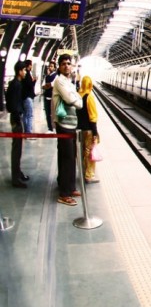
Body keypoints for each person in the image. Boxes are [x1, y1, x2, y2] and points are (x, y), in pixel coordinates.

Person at [52, 54, 83, 206]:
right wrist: (75, 99)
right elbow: (72, 100)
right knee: (67, 158)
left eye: (68, 63)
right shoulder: (59, 81)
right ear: (59, 66)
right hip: (64, 124)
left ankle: (69, 187)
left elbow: (78, 101)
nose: (66, 66)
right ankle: (64, 194)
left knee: (69, 158)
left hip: (71, 124)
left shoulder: (69, 82)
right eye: (63, 63)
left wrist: (75, 99)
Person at [5, 61, 30, 188]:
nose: (25, 72)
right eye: (24, 70)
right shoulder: (16, 85)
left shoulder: (16, 83)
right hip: (16, 118)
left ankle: (18, 172)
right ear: (19, 71)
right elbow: (14, 103)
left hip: (16, 117)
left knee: (18, 147)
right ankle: (15, 178)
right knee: (16, 149)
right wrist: (17, 118)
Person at [77, 75, 100, 184]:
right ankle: (89, 175)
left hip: (79, 130)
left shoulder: (78, 95)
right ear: (90, 85)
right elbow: (93, 117)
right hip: (88, 130)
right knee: (90, 153)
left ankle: (84, 173)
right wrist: (95, 133)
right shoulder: (89, 97)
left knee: (82, 153)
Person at [22, 59, 37, 135]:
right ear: (29, 66)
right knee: (30, 115)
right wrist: (34, 81)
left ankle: (26, 131)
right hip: (28, 97)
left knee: (25, 115)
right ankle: (28, 132)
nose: (31, 66)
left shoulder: (24, 74)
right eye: (31, 65)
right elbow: (30, 85)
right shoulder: (27, 74)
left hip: (24, 97)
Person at [42, 60, 57, 133]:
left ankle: (55, 127)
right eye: (49, 66)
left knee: (54, 114)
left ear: (54, 68)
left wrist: (48, 85)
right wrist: (48, 85)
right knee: (47, 113)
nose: (50, 67)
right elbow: (43, 86)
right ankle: (50, 128)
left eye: (51, 66)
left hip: (53, 97)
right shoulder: (47, 76)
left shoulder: (56, 76)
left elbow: (52, 85)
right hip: (46, 97)